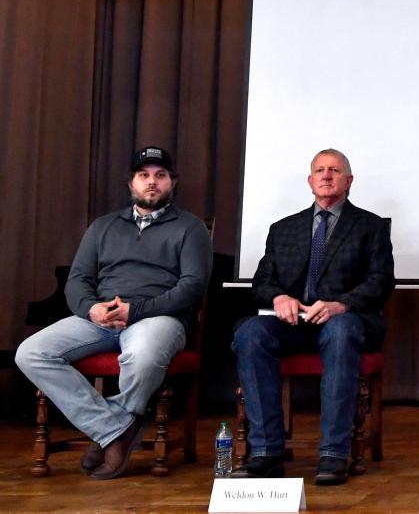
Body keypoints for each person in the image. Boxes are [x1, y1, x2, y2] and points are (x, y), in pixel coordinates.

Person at [15, 146, 212, 480]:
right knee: (31, 353)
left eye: (160, 176)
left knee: (142, 355)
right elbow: (78, 280)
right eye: (144, 175)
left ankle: (111, 432)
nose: (152, 183)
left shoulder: (190, 228)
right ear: (131, 183)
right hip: (101, 318)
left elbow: (192, 286)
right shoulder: (103, 227)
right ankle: (114, 428)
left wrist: (136, 310)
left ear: (172, 183)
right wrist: (91, 309)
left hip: (158, 317)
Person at [232, 148, 394, 485]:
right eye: (319, 170)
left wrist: (341, 304)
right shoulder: (283, 229)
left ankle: (334, 453)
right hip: (293, 323)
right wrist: (279, 298)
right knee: (250, 333)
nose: (326, 175)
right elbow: (261, 283)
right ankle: (266, 452)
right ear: (310, 181)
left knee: (340, 332)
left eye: (334, 170)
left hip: (343, 320)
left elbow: (381, 282)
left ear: (348, 180)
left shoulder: (370, 227)